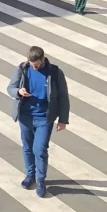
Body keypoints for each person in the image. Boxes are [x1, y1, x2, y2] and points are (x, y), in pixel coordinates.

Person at [6, 46, 70, 199]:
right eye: (32, 64)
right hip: (26, 116)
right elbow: (10, 88)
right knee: (27, 147)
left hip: (44, 118)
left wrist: (63, 119)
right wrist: (18, 92)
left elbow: (63, 97)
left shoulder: (55, 72)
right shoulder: (22, 69)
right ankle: (30, 175)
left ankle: (41, 181)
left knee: (40, 149)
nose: (34, 67)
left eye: (37, 64)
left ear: (43, 59)